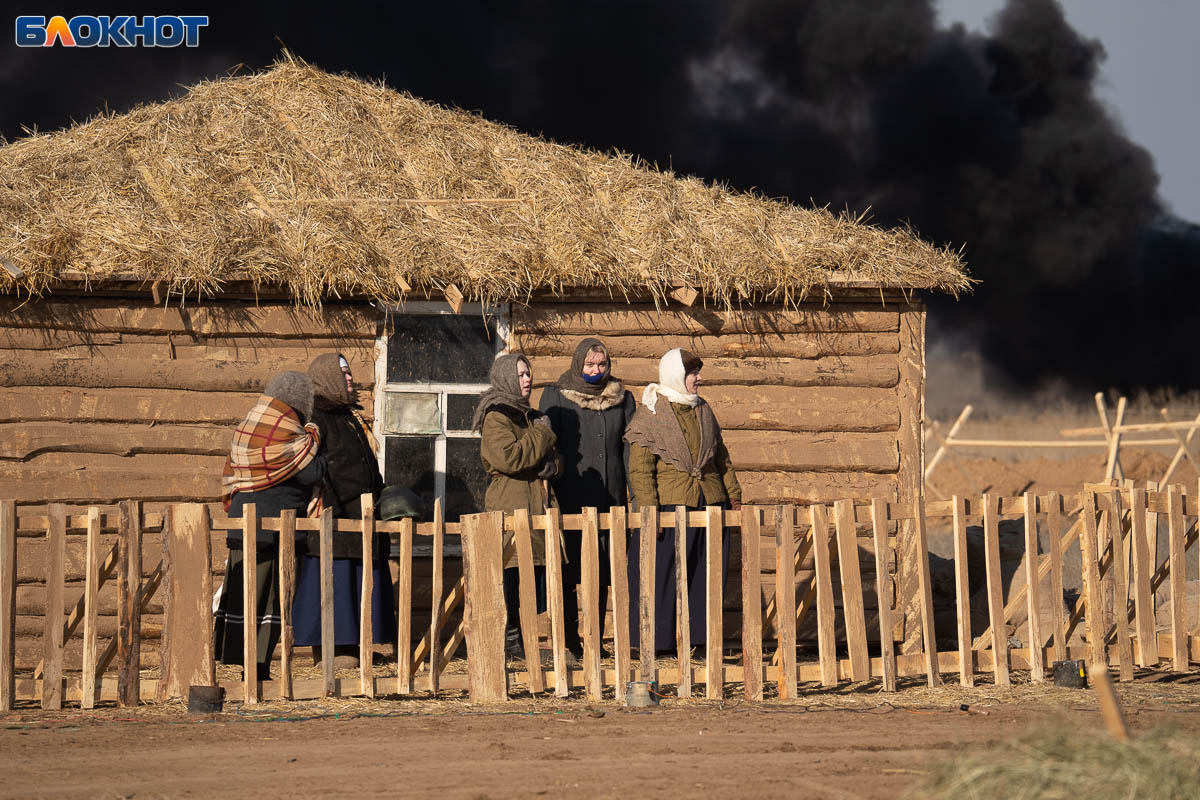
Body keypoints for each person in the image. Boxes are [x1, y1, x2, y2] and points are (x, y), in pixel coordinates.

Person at [624, 348, 742, 654]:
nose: (698, 379)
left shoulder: (703, 409)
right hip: (670, 505)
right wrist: (649, 511)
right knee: (660, 575)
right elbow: (640, 469)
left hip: (710, 502)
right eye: (692, 373)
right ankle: (656, 645)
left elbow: (721, 457)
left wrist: (733, 494)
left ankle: (699, 643)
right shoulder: (651, 413)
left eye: (698, 373)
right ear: (676, 375)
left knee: (706, 574)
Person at [215, 371, 326, 681]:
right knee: (268, 600)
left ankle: (246, 665)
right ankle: (257, 668)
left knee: (243, 595)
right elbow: (312, 473)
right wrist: (316, 443)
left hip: (244, 524)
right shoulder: (292, 433)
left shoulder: (249, 424)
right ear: (301, 401)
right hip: (272, 529)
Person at [291, 353, 396, 671]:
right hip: (334, 518)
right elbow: (306, 464)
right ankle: (331, 652)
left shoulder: (351, 417)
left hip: (362, 515)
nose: (350, 377)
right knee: (334, 586)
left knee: (358, 586)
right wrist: (328, 502)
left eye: (349, 372)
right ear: (327, 377)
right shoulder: (316, 417)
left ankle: (354, 647)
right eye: (343, 373)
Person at [538, 338, 634, 659]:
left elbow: (630, 451)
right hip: (570, 495)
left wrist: (633, 493)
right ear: (578, 363)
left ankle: (594, 639)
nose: (596, 370)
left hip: (609, 497)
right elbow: (545, 442)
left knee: (602, 570)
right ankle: (568, 641)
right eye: (590, 364)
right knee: (568, 569)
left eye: (602, 364)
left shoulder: (621, 398)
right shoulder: (557, 395)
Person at [474, 352, 562, 656]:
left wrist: (553, 465)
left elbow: (551, 457)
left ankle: (527, 641)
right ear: (506, 378)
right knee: (511, 572)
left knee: (534, 575)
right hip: (512, 502)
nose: (528, 379)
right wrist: (542, 434)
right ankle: (511, 641)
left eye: (528, 373)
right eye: (521, 374)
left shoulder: (531, 416)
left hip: (537, 501)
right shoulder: (496, 416)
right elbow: (509, 458)